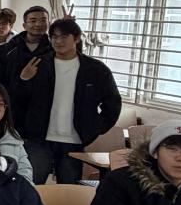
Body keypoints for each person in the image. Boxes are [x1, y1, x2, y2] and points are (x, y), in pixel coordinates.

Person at [12, 18, 121, 184]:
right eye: (54, 37)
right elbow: (19, 100)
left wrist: (95, 127)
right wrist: (24, 79)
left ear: (76, 38)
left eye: (64, 37)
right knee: (30, 186)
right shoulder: (38, 64)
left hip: (74, 141)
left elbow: (112, 103)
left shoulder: (95, 69)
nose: (58, 41)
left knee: (69, 188)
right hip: (39, 139)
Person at [0, 5, 51, 87]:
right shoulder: (7, 50)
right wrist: (23, 78)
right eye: (33, 21)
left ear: (49, 24)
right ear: (24, 25)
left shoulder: (53, 49)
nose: (38, 24)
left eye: (43, 20)